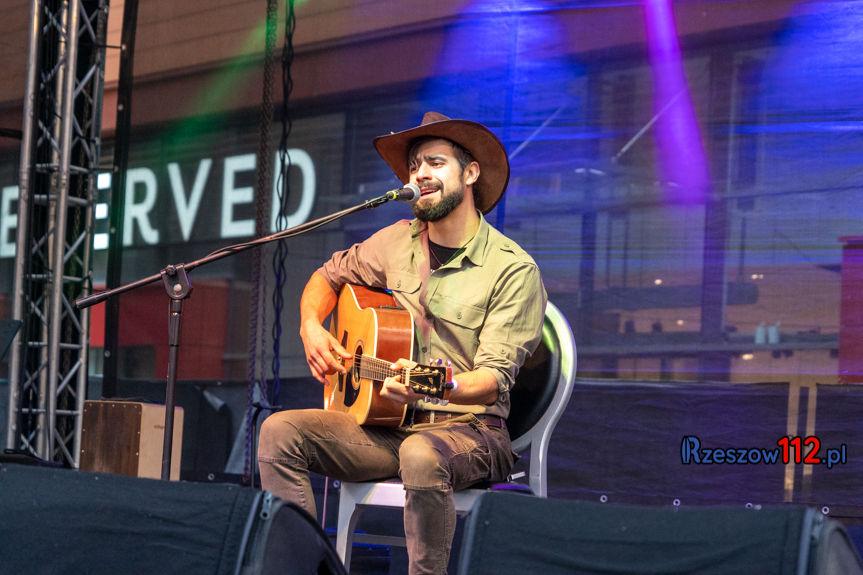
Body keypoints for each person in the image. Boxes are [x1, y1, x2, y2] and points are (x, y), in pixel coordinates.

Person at [258, 111, 547, 574]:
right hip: (390, 428)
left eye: (435, 162)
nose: (420, 174)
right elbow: (327, 277)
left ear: (470, 173)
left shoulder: (512, 269)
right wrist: (310, 325)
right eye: (414, 166)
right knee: (279, 432)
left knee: (420, 454)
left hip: (470, 431)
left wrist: (441, 386)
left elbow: (494, 380)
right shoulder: (396, 241)